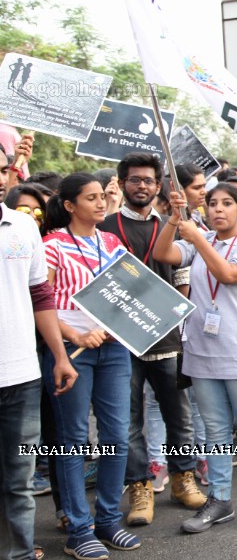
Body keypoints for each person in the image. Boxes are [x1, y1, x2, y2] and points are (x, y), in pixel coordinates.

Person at [154, 184, 237, 533]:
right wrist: (173, 220)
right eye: (212, 203)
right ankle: (220, 498)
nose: (218, 209)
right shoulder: (202, 239)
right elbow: (162, 254)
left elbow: (228, 275)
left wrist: (198, 239)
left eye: (227, 204)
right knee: (214, 432)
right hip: (202, 352)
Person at [100, 154, 205, 527]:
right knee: (126, 419)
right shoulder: (105, 227)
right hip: (119, 339)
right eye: (134, 180)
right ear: (122, 183)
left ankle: (183, 478)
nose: (141, 186)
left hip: (166, 335)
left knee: (179, 414)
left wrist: (183, 321)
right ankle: (140, 487)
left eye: (148, 180)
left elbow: (182, 276)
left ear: (158, 185)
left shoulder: (171, 225)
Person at [41, 173, 140, 557]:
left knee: (116, 435)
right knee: (72, 441)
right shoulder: (51, 246)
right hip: (71, 352)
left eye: (103, 197)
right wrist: (75, 336)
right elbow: (42, 302)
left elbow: (132, 295)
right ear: (69, 205)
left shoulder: (113, 243)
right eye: (92, 198)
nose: (101, 204)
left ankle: (108, 519)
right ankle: (78, 529)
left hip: (114, 351)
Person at [1, 186, 77, 560]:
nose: (0, 178)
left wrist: (61, 356)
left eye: (2, 169)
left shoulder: (21, 226)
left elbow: (41, 294)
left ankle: (19, 552)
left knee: (19, 479)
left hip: (21, 374)